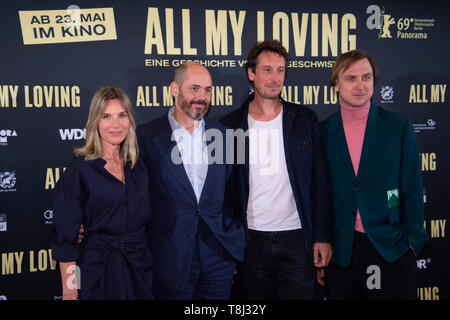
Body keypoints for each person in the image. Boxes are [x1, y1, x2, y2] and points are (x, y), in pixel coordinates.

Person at [220, 40, 333, 300]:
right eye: (267, 70)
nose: (275, 78)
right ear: (251, 73)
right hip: (250, 243)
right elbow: (224, 193)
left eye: (280, 70)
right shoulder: (231, 126)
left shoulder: (304, 120)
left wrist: (322, 236)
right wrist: (230, 245)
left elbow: (320, 183)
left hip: (297, 241)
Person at [319, 50, 429, 299]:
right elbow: (320, 195)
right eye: (351, 78)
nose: (360, 85)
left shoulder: (398, 125)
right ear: (336, 85)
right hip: (342, 251)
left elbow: (411, 186)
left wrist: (413, 242)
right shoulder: (323, 132)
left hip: (391, 247)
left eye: (366, 77)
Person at [136, 61, 246, 299]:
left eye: (207, 90)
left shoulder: (226, 136)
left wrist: (231, 248)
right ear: (175, 90)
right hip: (169, 258)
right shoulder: (144, 137)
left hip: (218, 259)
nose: (202, 97)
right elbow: (134, 199)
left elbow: (234, 195)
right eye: (194, 88)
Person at [51, 86, 153, 300]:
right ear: (95, 122)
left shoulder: (138, 167)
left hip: (139, 268)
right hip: (96, 272)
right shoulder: (80, 170)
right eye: (107, 116)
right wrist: (70, 291)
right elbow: (67, 241)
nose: (115, 124)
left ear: (130, 121)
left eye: (121, 115)